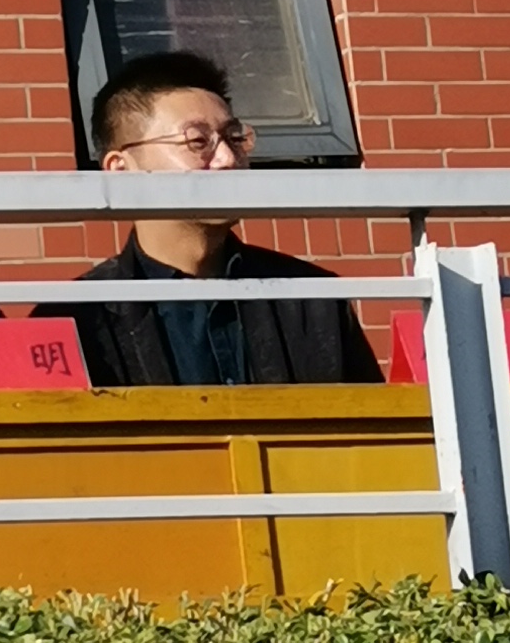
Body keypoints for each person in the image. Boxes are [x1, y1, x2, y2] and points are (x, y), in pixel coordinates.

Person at [59, 50, 379, 389]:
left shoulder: (313, 301)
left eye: (234, 138)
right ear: (121, 169)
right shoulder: (79, 319)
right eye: (198, 141)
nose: (227, 159)